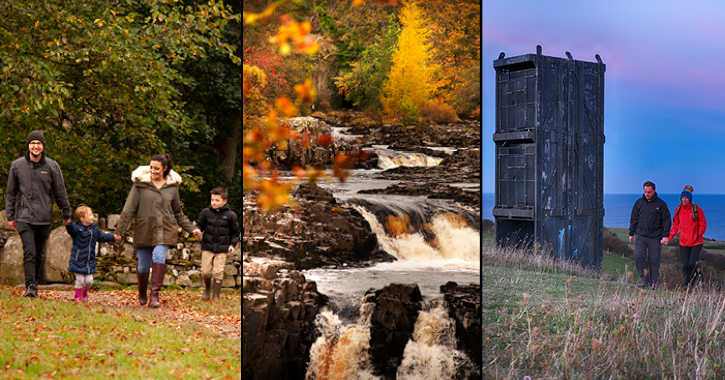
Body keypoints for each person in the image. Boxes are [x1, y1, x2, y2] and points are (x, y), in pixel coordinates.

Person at [115, 154, 201, 308]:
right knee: (143, 266)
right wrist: (120, 230)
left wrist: (192, 229)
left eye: (156, 168)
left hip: (166, 229)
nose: (153, 171)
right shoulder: (139, 185)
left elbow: (178, 213)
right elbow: (128, 209)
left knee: (159, 257)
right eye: (151, 167)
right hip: (144, 228)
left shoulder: (172, 187)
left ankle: (154, 296)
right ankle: (142, 292)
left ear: (165, 169)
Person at [6, 130, 72, 298]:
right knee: (29, 251)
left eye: (39, 143)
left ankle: (34, 282)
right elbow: (11, 193)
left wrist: (66, 212)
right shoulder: (17, 165)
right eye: (32, 143)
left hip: (43, 216)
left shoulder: (52, 166)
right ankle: (30, 287)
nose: (35, 146)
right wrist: (10, 216)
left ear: (43, 146)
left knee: (39, 253)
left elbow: (60, 192)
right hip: (23, 216)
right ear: (28, 146)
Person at [66, 205, 122, 302]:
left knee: (89, 281)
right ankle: (77, 297)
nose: (93, 217)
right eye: (90, 215)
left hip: (89, 262)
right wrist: (68, 224)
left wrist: (113, 236)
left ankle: (84, 292)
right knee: (80, 280)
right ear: (82, 218)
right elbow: (71, 229)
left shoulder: (94, 230)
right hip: (78, 260)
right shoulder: (77, 229)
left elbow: (103, 236)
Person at [195, 187, 240, 301]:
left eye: (217, 200)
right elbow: (200, 225)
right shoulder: (206, 212)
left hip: (222, 248)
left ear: (224, 201)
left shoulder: (231, 215)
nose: (214, 203)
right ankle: (207, 288)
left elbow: (235, 233)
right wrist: (198, 230)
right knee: (205, 272)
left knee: (218, 272)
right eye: (212, 200)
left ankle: (216, 296)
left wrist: (232, 245)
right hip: (207, 246)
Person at [629, 181, 671, 290]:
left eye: (649, 192)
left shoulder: (661, 204)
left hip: (655, 237)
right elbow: (633, 219)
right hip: (641, 235)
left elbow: (667, 220)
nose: (647, 194)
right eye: (645, 192)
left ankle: (655, 282)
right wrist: (631, 233)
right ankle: (644, 278)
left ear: (654, 191)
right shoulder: (639, 203)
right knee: (639, 256)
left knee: (654, 259)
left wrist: (665, 235)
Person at [666, 185, 707, 290]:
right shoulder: (678, 210)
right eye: (682, 198)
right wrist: (668, 238)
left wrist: (697, 236)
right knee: (685, 266)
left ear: (690, 199)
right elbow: (675, 226)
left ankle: (698, 281)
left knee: (692, 264)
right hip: (683, 242)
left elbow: (703, 225)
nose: (684, 200)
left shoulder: (697, 209)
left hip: (696, 242)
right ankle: (687, 285)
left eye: (686, 198)